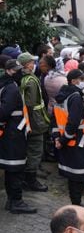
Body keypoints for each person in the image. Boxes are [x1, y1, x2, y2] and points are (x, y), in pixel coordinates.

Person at [52, 69, 84, 206]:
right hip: (76, 141)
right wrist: (63, 140)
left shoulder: (61, 96)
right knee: (80, 174)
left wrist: (57, 138)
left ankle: (75, 202)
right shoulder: (75, 97)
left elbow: (55, 120)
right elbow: (73, 122)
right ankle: (77, 204)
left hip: (66, 141)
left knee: (72, 175)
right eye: (82, 79)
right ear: (74, 80)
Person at [0, 60, 37, 214]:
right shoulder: (11, 88)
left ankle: (12, 200)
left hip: (11, 133)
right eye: (16, 70)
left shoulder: (6, 85)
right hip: (13, 135)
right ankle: (16, 201)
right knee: (16, 168)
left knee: (11, 168)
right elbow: (3, 112)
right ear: (9, 71)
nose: (19, 72)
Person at [17, 52, 49, 192]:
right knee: (35, 150)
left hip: (28, 121)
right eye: (31, 62)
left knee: (29, 150)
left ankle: (27, 178)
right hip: (35, 121)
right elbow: (30, 103)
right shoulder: (31, 80)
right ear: (27, 64)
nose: (33, 64)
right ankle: (31, 180)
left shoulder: (22, 78)